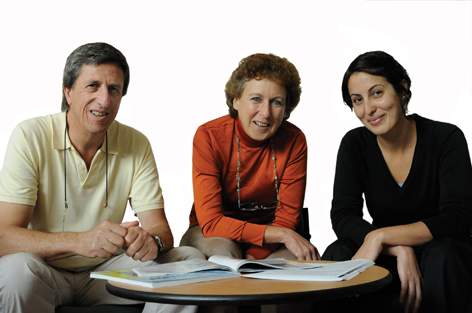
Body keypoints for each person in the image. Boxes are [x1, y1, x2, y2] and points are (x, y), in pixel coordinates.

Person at [0, 42, 204, 313]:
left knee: (190, 260)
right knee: (15, 272)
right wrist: (80, 241)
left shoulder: (136, 143)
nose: (104, 100)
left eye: (114, 89)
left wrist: (149, 242)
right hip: (44, 270)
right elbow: (4, 237)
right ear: (68, 92)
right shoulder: (30, 135)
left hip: (107, 273)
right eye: (92, 86)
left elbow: (161, 230)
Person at [322, 51, 472, 313]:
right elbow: (343, 215)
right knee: (339, 252)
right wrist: (398, 248)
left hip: (441, 251)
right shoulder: (354, 144)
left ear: (402, 89)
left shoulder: (446, 138)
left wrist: (382, 235)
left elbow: (457, 218)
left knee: (443, 256)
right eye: (358, 100)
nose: (368, 110)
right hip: (389, 254)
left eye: (377, 93)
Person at [181, 53, 319, 261]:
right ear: (236, 100)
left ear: (286, 108)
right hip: (213, 233)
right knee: (225, 254)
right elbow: (211, 222)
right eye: (256, 99)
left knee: (295, 261)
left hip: (273, 238)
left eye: (277, 102)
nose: (265, 113)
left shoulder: (294, 140)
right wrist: (280, 235)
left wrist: (256, 256)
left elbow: (286, 219)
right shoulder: (209, 136)